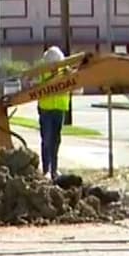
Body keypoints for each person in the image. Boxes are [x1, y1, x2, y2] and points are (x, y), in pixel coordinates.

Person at [36, 46, 71, 179]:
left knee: (56, 140)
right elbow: (34, 86)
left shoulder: (65, 71)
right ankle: (46, 169)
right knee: (46, 139)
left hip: (59, 109)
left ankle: (54, 170)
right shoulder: (42, 71)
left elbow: (76, 86)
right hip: (46, 109)